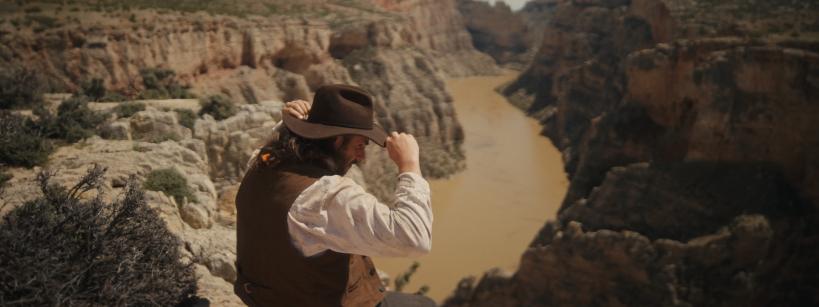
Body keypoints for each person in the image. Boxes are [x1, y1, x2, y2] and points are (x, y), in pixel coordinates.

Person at [234, 84, 436, 307]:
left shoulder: (264, 162)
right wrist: (409, 165)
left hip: (268, 298)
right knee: (425, 304)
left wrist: (292, 123)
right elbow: (414, 239)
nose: (361, 156)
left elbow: (276, 138)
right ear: (337, 141)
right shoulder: (322, 198)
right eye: (359, 145)